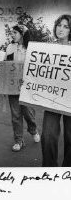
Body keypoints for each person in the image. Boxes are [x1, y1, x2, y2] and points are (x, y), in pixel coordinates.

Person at [1, 24, 40, 152]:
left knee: (28, 113)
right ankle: (18, 140)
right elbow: (5, 65)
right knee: (15, 115)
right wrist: (2, 82)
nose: (12, 35)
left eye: (15, 32)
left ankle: (33, 129)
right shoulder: (9, 47)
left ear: (22, 34)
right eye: (11, 32)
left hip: (27, 87)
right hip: (13, 87)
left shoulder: (31, 49)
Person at [41, 14, 71, 167]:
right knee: (48, 135)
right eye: (59, 25)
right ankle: (49, 170)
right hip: (52, 97)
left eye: (66, 26)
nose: (61, 29)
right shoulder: (47, 48)